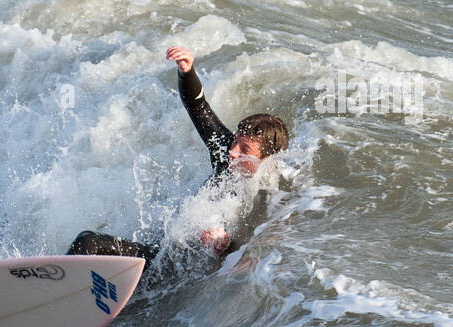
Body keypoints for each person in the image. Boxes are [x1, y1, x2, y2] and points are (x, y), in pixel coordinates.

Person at [65, 45, 289, 280]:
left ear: (266, 159)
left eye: (244, 149)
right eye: (234, 142)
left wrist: (225, 245)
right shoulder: (225, 155)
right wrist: (187, 72)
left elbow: (254, 252)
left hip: (179, 278)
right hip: (161, 257)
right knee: (87, 242)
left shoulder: (272, 196)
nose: (232, 151)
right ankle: (56, 292)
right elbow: (197, 106)